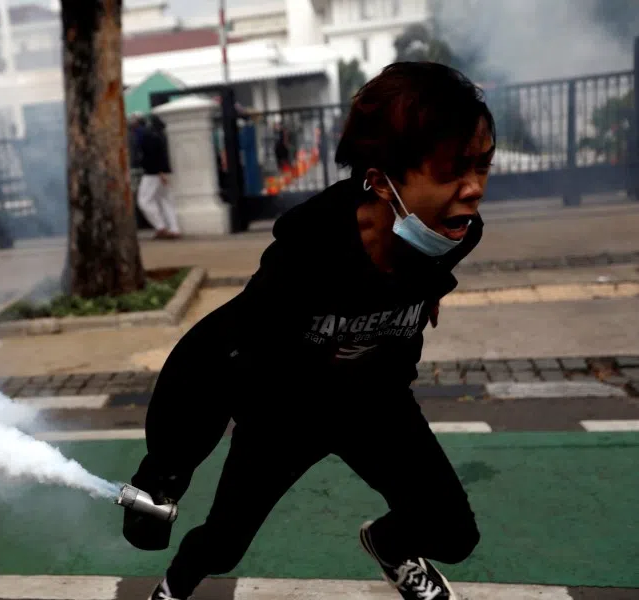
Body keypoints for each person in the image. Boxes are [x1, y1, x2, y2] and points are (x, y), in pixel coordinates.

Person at [122, 61, 496, 600]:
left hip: (377, 403)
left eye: (482, 167)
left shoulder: (458, 231)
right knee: (223, 547)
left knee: (453, 534)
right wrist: (162, 473)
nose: (474, 189)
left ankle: (389, 546)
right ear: (380, 180)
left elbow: (426, 273)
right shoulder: (306, 255)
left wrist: (429, 292)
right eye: (450, 172)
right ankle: (173, 589)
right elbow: (209, 354)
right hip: (285, 415)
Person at [137, 115, 181, 240]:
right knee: (165, 200)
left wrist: (159, 171)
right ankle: (174, 228)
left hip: (153, 173)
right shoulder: (163, 135)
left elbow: (152, 155)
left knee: (144, 201)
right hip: (164, 172)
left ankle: (160, 226)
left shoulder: (149, 137)